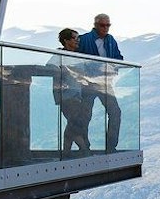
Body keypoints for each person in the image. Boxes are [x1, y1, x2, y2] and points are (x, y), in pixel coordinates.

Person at [76, 13, 124, 151]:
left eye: (108, 25)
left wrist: (114, 67)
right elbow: (74, 58)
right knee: (85, 115)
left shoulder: (111, 40)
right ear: (96, 25)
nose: (106, 28)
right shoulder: (84, 39)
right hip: (88, 83)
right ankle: (84, 147)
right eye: (103, 25)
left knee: (115, 112)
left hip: (105, 83)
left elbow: (118, 57)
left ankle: (111, 146)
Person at [53, 27, 93, 154]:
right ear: (66, 40)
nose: (77, 40)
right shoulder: (59, 55)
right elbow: (50, 67)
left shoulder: (77, 56)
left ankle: (66, 151)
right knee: (75, 122)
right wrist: (64, 71)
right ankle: (84, 148)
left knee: (74, 123)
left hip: (77, 95)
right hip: (66, 95)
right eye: (75, 38)